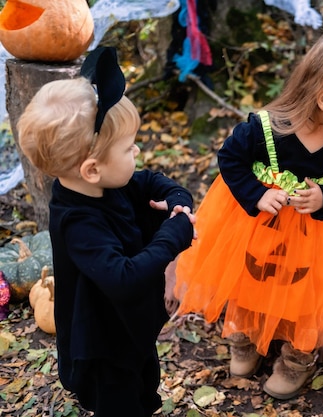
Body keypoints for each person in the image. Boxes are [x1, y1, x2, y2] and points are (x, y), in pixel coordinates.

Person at [173, 29, 323, 399]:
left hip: (308, 238)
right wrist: (257, 194)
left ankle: (296, 358)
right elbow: (229, 160)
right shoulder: (263, 129)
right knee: (244, 283)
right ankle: (242, 337)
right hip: (252, 228)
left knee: (305, 296)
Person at [16, 46, 195, 417]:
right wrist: (174, 235)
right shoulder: (78, 222)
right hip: (102, 344)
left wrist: (176, 200)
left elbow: (153, 183)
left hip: (129, 327)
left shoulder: (111, 182)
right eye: (129, 147)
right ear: (92, 169)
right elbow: (123, 278)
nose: (138, 151)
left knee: (144, 385)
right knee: (121, 401)